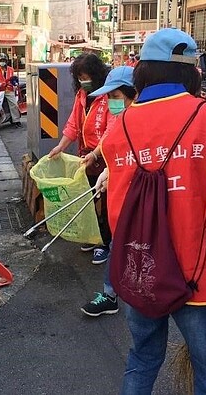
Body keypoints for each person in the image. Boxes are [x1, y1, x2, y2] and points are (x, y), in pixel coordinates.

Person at [96, 28, 206, 394]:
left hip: (140, 269)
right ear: (192, 73)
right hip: (197, 278)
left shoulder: (118, 127)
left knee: (142, 360)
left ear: (142, 72)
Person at [79, 65, 137, 317]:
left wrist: (112, 172)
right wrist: (99, 161)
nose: (111, 102)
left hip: (140, 197)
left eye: (115, 97)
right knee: (118, 243)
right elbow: (110, 141)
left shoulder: (143, 118)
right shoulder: (123, 117)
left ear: (132, 93)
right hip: (121, 193)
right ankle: (111, 294)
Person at [47, 53, 112, 263]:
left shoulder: (110, 96)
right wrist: (60, 146)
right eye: (79, 77)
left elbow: (112, 130)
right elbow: (73, 125)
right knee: (90, 199)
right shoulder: (82, 97)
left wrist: (96, 153)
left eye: (86, 76)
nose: (83, 81)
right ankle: (95, 237)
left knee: (107, 202)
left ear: (97, 75)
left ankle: (105, 242)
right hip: (86, 157)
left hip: (106, 157)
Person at [0, 52, 21, 128]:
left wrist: (15, 83)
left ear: (6, 61)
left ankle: (16, 120)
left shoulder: (10, 69)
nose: (2, 62)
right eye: (1, 60)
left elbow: (13, 79)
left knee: (14, 104)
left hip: (8, 89)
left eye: (4, 60)